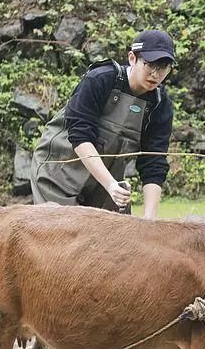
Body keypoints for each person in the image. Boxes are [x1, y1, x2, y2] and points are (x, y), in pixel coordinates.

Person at [31, 29, 176, 218]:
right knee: (61, 238)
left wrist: (149, 220)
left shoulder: (160, 104)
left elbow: (153, 161)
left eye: (163, 67)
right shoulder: (101, 79)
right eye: (149, 65)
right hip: (58, 174)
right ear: (132, 58)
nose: (155, 74)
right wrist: (110, 184)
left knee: (115, 242)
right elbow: (80, 134)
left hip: (106, 185)